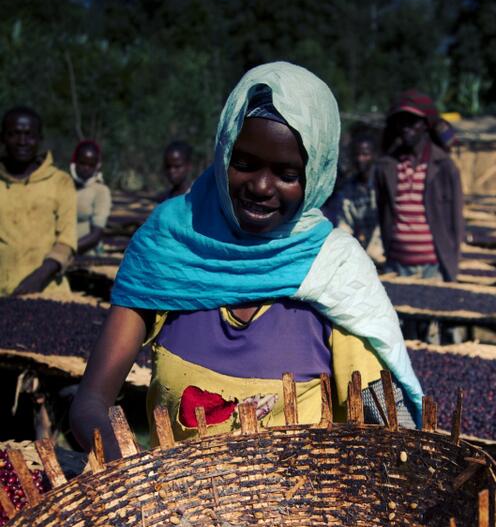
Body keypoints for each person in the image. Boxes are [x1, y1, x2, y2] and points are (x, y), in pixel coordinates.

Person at [70, 62, 422, 459]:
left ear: (316, 175)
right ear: (223, 154)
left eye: (287, 174)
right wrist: (138, 473)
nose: (260, 186)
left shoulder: (335, 271)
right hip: (170, 498)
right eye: (245, 164)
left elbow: (394, 432)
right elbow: (90, 404)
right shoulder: (169, 246)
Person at [375, 89, 464, 283]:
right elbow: (383, 215)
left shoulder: (444, 166)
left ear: (425, 125)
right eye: (401, 122)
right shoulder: (387, 167)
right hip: (397, 266)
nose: (406, 128)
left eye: (412, 122)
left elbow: (455, 219)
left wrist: (452, 263)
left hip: (434, 267)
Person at [0, 106, 76, 296]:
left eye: (29, 135)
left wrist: (37, 278)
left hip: (47, 291)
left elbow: (67, 241)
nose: (22, 141)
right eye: (14, 134)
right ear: (3, 138)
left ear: (40, 139)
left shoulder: (60, 182)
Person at [334, 130, 384, 267]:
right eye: (357, 155)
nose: (360, 159)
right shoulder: (349, 188)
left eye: (365, 154)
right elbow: (345, 224)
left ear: (374, 155)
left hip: (385, 253)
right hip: (364, 255)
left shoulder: (382, 183)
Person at [71, 139, 112, 255]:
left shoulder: (101, 191)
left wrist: (67, 250)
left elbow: (96, 235)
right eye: (82, 163)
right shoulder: (64, 186)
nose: (86, 168)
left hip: (86, 252)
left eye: (91, 165)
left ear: (97, 166)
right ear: (75, 162)